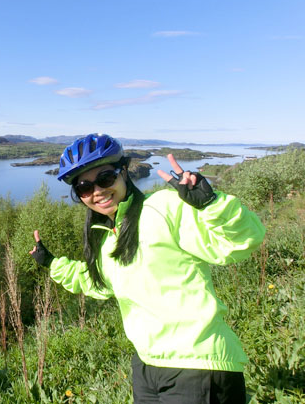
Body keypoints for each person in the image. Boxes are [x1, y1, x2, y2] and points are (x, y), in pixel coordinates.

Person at [29, 133, 265, 404]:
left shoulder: (164, 208)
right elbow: (97, 282)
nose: (97, 192)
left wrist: (211, 204)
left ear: (123, 172)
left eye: (105, 178)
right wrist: (51, 263)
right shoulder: (107, 239)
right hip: (147, 365)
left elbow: (240, 241)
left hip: (198, 362)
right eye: (84, 187)